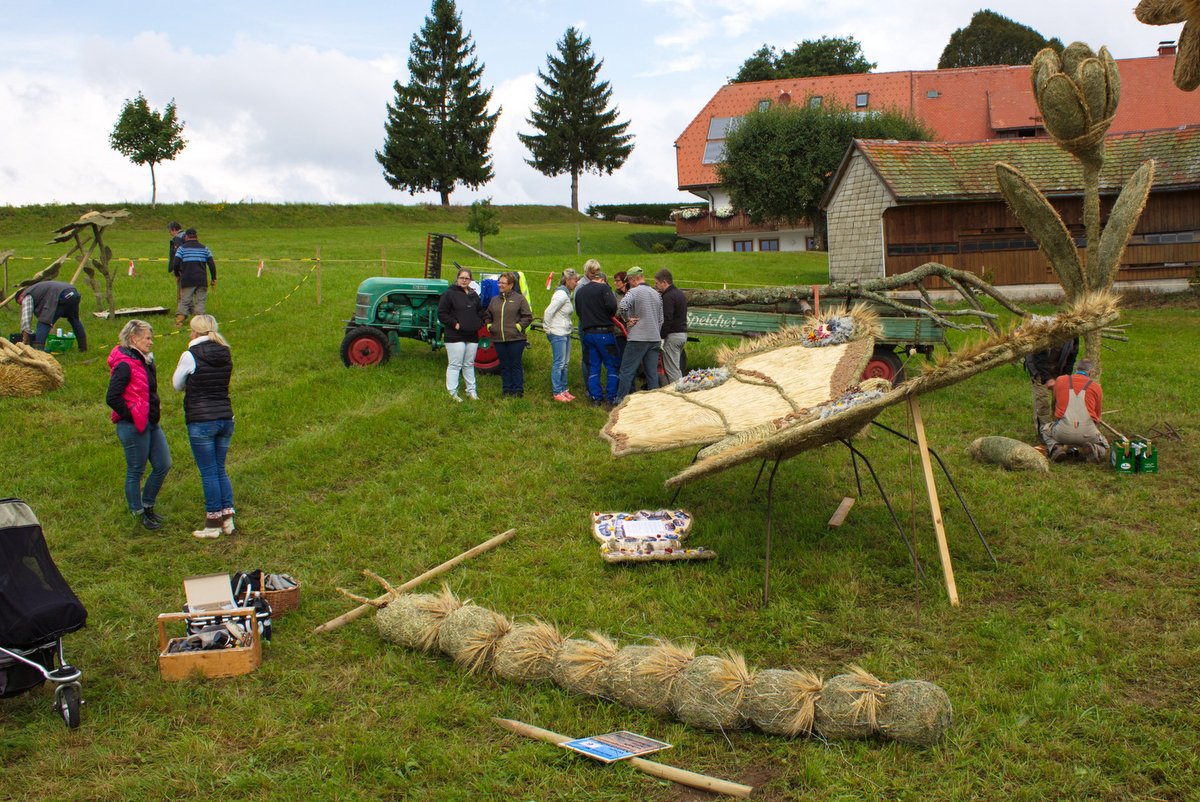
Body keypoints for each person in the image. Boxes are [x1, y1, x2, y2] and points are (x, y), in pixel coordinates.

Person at [172, 314, 236, 538]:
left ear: (195, 332)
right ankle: (228, 519)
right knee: (220, 468)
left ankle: (212, 524)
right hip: (225, 417)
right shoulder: (225, 352)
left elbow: (177, 384)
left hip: (201, 419)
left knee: (208, 472)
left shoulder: (190, 355)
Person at [106, 320, 171, 531]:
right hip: (132, 426)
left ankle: (148, 504)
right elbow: (112, 397)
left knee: (163, 464)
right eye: (147, 338)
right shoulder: (124, 365)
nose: (151, 342)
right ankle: (138, 512)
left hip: (152, 422)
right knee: (136, 469)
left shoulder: (146, 361)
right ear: (134, 339)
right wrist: (132, 415)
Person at [1041, 358, 1109, 463]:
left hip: (1062, 432)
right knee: (1104, 445)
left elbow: (1055, 403)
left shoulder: (1060, 380)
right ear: (1090, 372)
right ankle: (1095, 449)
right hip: (1087, 434)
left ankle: (1055, 448)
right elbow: (1097, 417)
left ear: (1076, 368)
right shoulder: (1096, 387)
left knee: (1045, 430)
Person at [614, 266, 664, 405]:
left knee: (626, 371)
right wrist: (655, 331)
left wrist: (627, 320)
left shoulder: (634, 292)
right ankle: (653, 402)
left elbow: (622, 306)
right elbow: (661, 319)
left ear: (632, 279)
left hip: (638, 338)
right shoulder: (656, 294)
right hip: (654, 338)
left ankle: (620, 402)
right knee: (652, 373)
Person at [575, 269, 621, 406]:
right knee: (612, 366)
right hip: (605, 333)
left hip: (588, 334)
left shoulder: (580, 291)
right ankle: (611, 397)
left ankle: (596, 398)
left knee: (593, 366)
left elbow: (578, 312)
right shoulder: (604, 288)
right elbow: (613, 306)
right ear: (602, 280)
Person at [437, 267, 484, 402]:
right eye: (462, 278)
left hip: (472, 335)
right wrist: (454, 324)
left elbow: (480, 311)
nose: (464, 280)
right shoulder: (449, 294)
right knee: (455, 364)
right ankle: (452, 392)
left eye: (467, 278)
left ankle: (471, 391)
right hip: (455, 336)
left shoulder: (473, 295)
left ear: (470, 280)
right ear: (457, 278)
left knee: (469, 364)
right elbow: (442, 313)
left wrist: (478, 323)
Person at [483, 271, 532, 398]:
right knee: (504, 365)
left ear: (511, 285)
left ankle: (518, 390)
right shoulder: (494, 300)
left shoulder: (519, 299)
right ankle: (506, 389)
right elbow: (487, 315)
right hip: (499, 339)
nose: (500, 285)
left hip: (516, 339)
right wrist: (490, 326)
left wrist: (518, 326)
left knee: (515, 364)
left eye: (503, 283)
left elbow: (527, 316)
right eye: (499, 282)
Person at [18, 280, 88, 352]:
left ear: (21, 296)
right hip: (73, 292)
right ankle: (83, 348)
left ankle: (38, 351)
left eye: (20, 302)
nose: (22, 304)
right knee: (74, 320)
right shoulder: (39, 290)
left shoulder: (27, 295)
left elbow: (26, 317)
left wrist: (25, 333)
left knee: (43, 322)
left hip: (62, 294)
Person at [544, 269, 580, 402]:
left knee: (565, 363)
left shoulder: (566, 294)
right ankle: (557, 391)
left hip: (565, 332)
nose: (576, 283)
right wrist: (548, 329)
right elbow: (548, 312)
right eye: (575, 281)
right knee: (559, 363)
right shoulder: (561, 295)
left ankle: (564, 389)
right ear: (568, 280)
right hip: (558, 333)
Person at [171, 228, 217, 328]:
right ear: (197, 237)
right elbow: (211, 264)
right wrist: (214, 278)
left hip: (187, 279)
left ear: (186, 237)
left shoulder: (182, 248)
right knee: (200, 301)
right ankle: (199, 322)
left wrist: (178, 274)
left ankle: (179, 322)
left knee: (185, 300)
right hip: (201, 279)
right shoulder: (205, 248)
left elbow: (175, 263)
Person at [656, 268, 688, 384]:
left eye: (657, 283)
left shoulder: (668, 297)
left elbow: (667, 318)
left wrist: (662, 337)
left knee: (672, 370)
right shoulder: (680, 294)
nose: (656, 286)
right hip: (682, 334)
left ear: (664, 282)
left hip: (673, 336)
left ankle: (678, 394)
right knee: (676, 367)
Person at [167, 221, 185, 302]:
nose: (169, 233)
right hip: (191, 267)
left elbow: (178, 256)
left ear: (174, 229)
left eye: (170, 231)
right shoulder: (187, 236)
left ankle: (181, 310)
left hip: (181, 269)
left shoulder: (178, 239)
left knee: (181, 289)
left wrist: (177, 270)